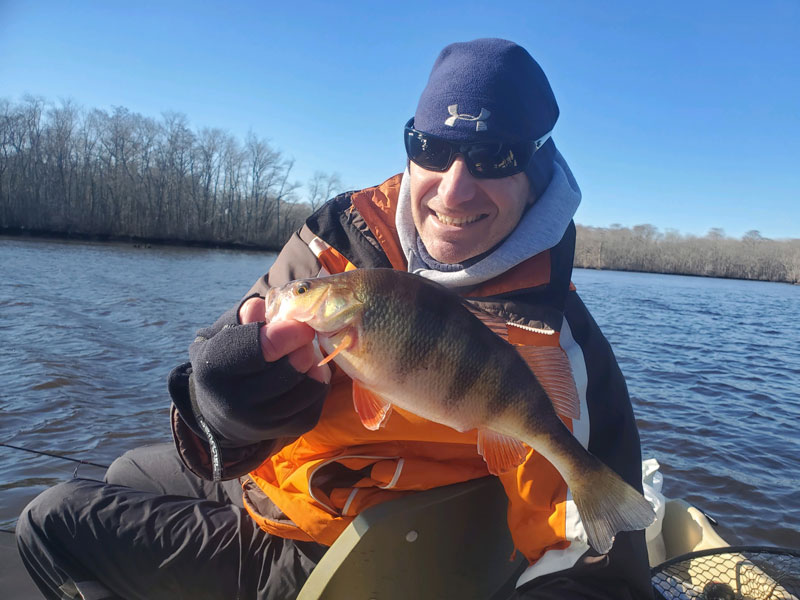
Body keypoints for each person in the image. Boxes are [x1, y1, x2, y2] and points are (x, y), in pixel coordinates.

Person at [17, 38, 653, 599]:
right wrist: (226, 407)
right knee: (125, 471)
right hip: (280, 486)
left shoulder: (556, 339)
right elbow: (216, 430)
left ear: (536, 171)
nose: (454, 189)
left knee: (50, 519)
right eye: (432, 148)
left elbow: (596, 567)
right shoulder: (337, 244)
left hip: (336, 553)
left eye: (493, 157)